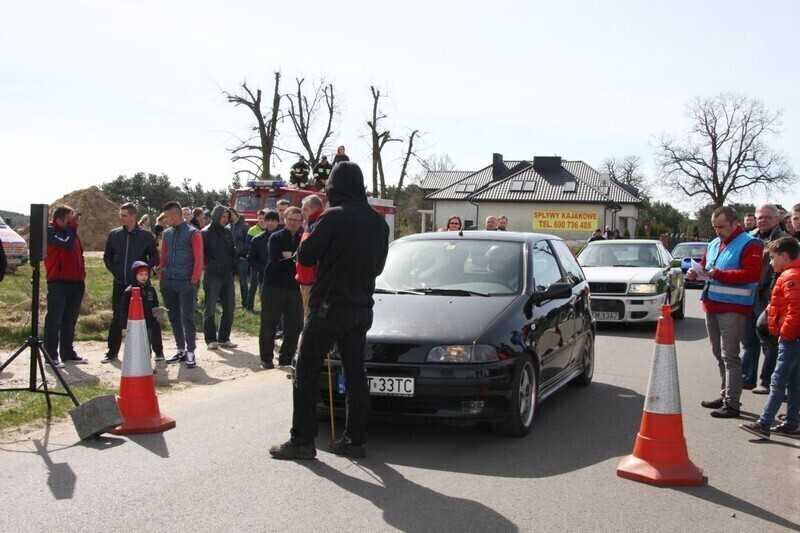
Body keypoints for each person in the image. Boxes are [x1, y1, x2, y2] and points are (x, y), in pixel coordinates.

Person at [270, 161, 389, 461]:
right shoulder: (378, 222)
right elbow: (379, 267)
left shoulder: (333, 216)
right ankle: (355, 440)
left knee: (306, 372)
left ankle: (302, 441)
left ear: (334, 188)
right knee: (355, 374)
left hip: (328, 308)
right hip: (361, 308)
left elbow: (307, 256)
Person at [688, 206, 763, 418]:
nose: (717, 231)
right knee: (718, 354)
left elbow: (751, 273)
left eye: (721, 226)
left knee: (730, 355)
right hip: (711, 304)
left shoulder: (750, 243)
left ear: (734, 223)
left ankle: (732, 403)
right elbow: (704, 267)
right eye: (714, 227)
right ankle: (725, 395)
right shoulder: (713, 243)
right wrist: (696, 273)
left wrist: (717, 273)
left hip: (733, 307)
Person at [739, 237, 800, 438]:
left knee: (777, 381)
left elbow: (795, 311)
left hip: (792, 339)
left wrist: (785, 335)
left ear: (784, 256)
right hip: (793, 338)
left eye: (773, 258)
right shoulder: (791, 274)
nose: (771, 263)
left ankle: (764, 424)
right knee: (793, 381)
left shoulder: (791, 276)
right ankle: (792, 422)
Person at [102, 202, 160, 364]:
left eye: (124, 215)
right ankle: (112, 352)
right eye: (120, 215)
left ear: (133, 216)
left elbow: (155, 256)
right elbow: (107, 256)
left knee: (147, 318)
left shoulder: (145, 235)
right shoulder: (114, 235)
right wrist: (115, 270)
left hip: (140, 287)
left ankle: (154, 351)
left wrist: (144, 271)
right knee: (117, 317)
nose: (121, 217)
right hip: (120, 284)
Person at [742, 204, 789, 392]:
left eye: (767, 217)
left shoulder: (784, 240)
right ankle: (747, 378)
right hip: (748, 295)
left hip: (768, 297)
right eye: (760, 217)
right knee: (748, 340)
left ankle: (766, 381)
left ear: (777, 219)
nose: (762, 220)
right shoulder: (749, 238)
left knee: (768, 341)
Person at [159, 201, 204, 369]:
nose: (165, 219)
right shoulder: (167, 234)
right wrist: (162, 277)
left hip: (185, 282)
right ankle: (181, 349)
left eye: (167, 216)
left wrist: (193, 280)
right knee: (174, 317)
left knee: (188, 317)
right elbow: (163, 255)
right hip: (168, 281)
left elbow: (199, 259)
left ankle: (191, 351)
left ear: (176, 216)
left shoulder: (194, 233)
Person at [259, 206, 303, 369]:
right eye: (289, 219)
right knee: (269, 323)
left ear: (301, 221)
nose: (292, 222)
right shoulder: (276, 237)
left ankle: (286, 357)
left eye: (296, 220)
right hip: (273, 286)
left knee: (294, 325)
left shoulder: (303, 237)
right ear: (284, 219)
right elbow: (276, 261)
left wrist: (289, 256)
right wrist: (296, 258)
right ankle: (266, 358)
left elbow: (307, 260)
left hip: (295, 286)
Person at [43, 205, 87, 368]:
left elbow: (78, 252)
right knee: (55, 320)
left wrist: (82, 272)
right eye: (69, 220)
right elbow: (66, 245)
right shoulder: (51, 231)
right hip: (58, 282)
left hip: (76, 282)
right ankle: (50, 355)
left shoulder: (71, 232)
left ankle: (67, 353)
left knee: (70, 320)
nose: (73, 223)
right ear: (60, 219)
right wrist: (73, 226)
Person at [201, 205, 238, 351]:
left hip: (227, 276)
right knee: (210, 308)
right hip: (212, 276)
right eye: (223, 216)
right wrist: (213, 264)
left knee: (229, 307)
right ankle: (210, 339)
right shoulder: (205, 232)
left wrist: (235, 262)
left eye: (227, 217)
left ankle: (224, 338)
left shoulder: (228, 232)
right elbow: (202, 254)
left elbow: (232, 251)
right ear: (216, 216)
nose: (226, 219)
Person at [119, 261, 165, 363]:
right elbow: (124, 308)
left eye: (146, 274)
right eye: (141, 275)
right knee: (138, 344)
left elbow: (155, 302)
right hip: (135, 324)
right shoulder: (129, 291)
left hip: (149, 321)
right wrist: (124, 323)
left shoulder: (151, 289)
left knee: (148, 341)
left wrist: (157, 310)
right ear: (135, 275)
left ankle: (147, 365)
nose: (144, 277)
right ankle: (139, 364)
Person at [296, 195, 324, 320]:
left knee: (309, 316)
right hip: (305, 278)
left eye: (305, 209)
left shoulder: (318, 224)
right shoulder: (311, 223)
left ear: (314, 209)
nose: (302, 212)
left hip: (311, 280)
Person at [229, 207, 250, 309]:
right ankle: (230, 302)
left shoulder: (244, 226)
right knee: (229, 281)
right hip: (231, 258)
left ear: (235, 213)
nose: (230, 216)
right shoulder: (228, 226)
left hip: (242, 258)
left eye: (231, 214)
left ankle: (246, 302)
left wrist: (245, 254)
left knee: (243, 281)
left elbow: (249, 241)